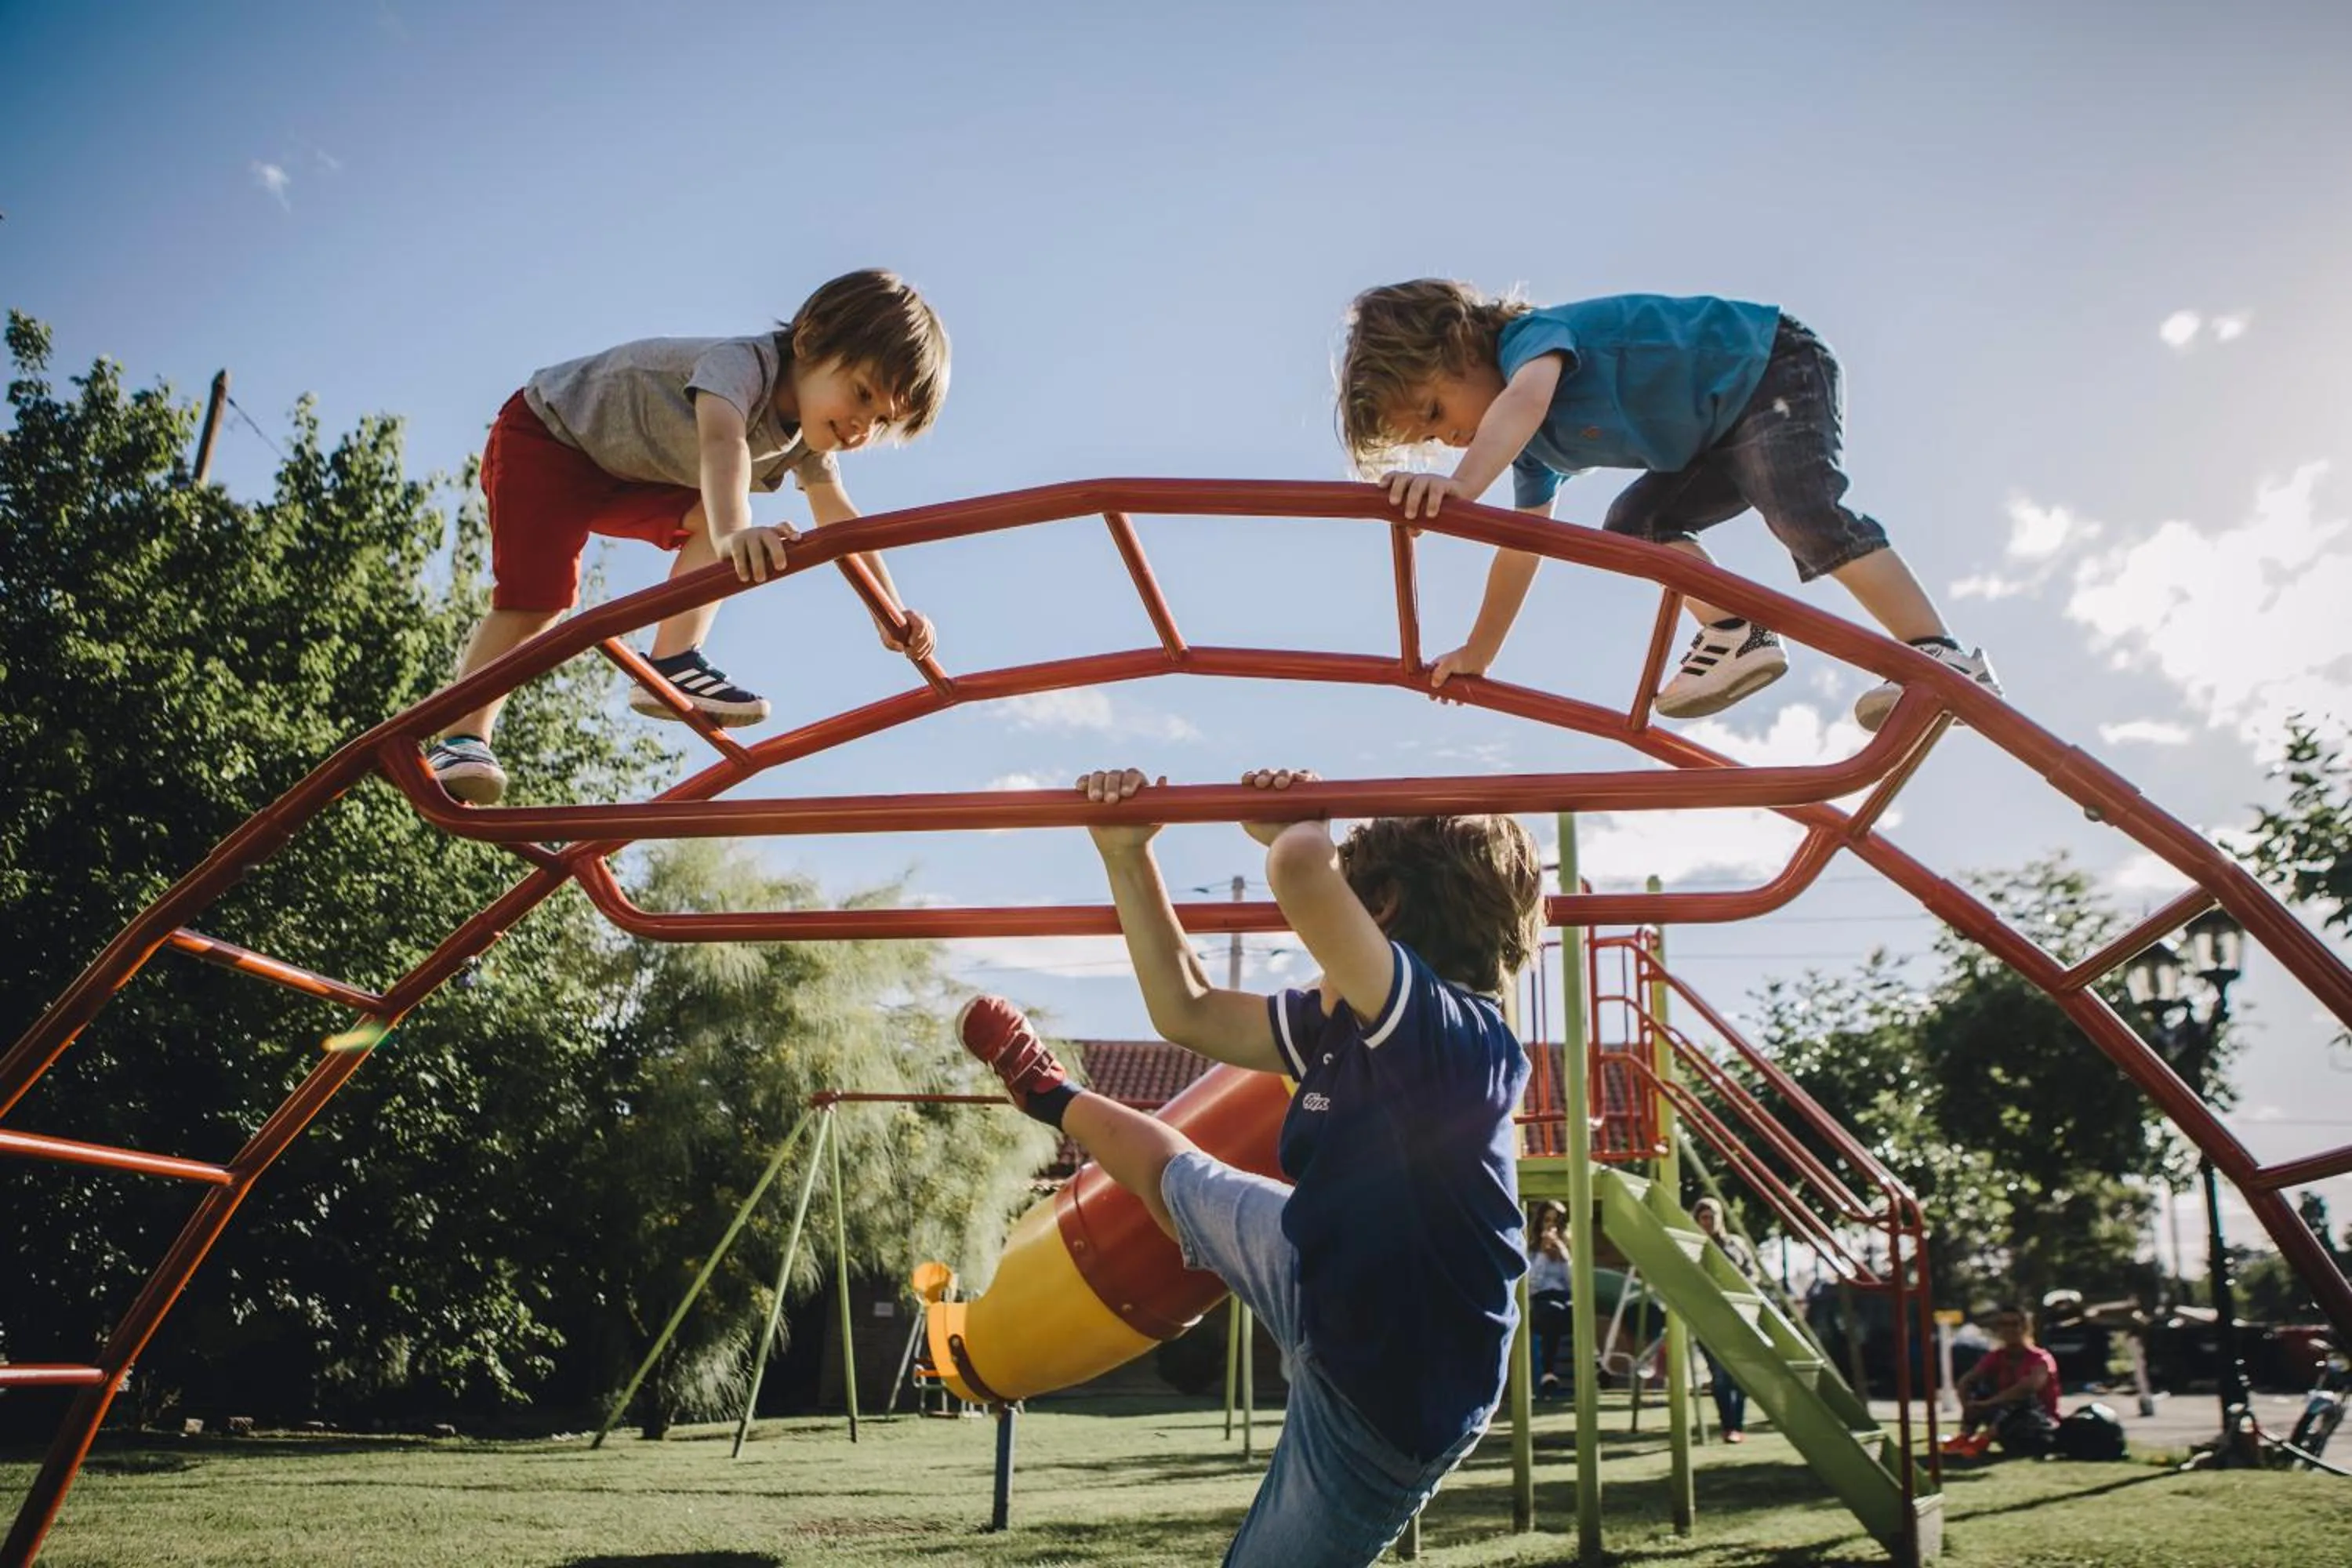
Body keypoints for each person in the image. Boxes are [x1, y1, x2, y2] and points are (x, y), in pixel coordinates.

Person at [956, 765, 1541, 1567]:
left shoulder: (1456, 1041)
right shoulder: (1341, 1025)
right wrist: (1126, 855)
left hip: (1388, 1397)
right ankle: (1049, 1092)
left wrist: (1297, 829)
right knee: (1176, 1174)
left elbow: (1301, 869)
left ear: (1382, 911)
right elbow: (1187, 1009)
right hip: (1318, 1265)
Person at [1335, 281, 2001, 728]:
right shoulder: (1529, 449)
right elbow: (1521, 547)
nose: (1450, 439)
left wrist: (1462, 487)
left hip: (1769, 365)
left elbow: (1523, 400)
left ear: (1460, 345)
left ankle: (1939, 653)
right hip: (1712, 438)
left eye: (1434, 410)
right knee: (1637, 528)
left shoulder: (1528, 344)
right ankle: (1736, 631)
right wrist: (1480, 651)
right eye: (1430, 440)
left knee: (1802, 508)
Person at [426, 269, 949, 804]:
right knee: (542, 599)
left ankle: (673, 659)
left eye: (880, 420)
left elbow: (841, 521)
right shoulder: (743, 367)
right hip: (548, 437)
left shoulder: (815, 440)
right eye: (861, 394)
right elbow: (724, 447)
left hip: (626, 475)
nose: (862, 427)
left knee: (726, 523)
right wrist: (732, 533)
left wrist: (890, 613)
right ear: (812, 341)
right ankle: (461, 734)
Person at [1691, 1196, 1760, 1441]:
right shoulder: (1694, 1247)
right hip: (1708, 1320)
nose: (1709, 1222)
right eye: (1704, 1218)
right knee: (1720, 1376)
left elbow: (1753, 1273)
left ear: (1721, 1218)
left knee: (1739, 1375)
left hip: (1737, 1316)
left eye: (1713, 1217)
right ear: (1698, 1220)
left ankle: (1737, 1426)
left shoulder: (1735, 1245)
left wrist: (1742, 1288)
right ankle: (1728, 1426)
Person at [1951, 1303, 2061, 1456]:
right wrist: (1968, 1406)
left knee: (2023, 1399)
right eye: (2003, 1324)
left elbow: (2028, 1388)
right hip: (2005, 1420)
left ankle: (1984, 1438)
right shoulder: (1996, 1356)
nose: (2009, 1329)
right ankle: (1965, 1436)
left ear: (2025, 1327)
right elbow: (1967, 1380)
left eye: (2014, 1324)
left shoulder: (2041, 1359)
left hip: (2038, 1424)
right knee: (1978, 1388)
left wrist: (1987, 1404)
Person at [1527, 1200, 1573, 1398]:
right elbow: (1532, 1285)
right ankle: (1548, 1373)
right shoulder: (1531, 1250)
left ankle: (1596, 1359)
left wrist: (1564, 1257)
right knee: (1552, 1311)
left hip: (1565, 1297)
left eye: (1556, 1222)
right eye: (1547, 1221)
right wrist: (1543, 1257)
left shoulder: (1567, 1247)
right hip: (1541, 1299)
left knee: (1570, 1310)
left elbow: (1573, 1284)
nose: (1551, 1226)